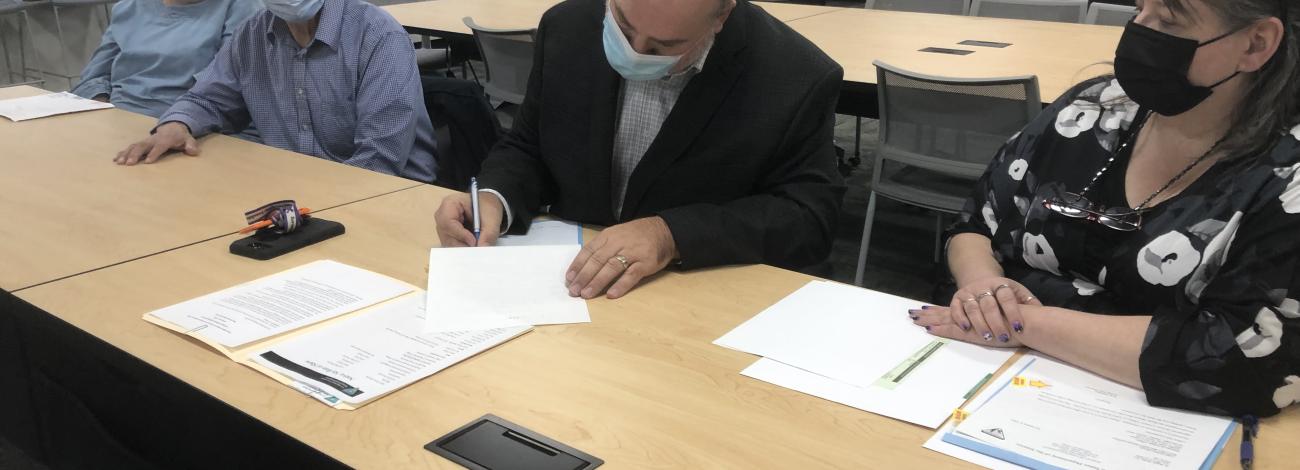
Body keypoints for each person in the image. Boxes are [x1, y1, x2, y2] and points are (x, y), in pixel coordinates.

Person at [911, 0, 1300, 417]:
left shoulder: (1285, 177)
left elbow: (1249, 357)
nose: (1139, 29)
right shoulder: (1095, 107)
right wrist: (983, 289)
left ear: (1256, 44)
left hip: (1144, 417)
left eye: (1168, 20)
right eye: (1139, 9)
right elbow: (974, 223)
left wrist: (1021, 324)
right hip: (990, 377)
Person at [434, 0, 845, 300]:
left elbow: (809, 217)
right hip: (564, 296)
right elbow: (529, 145)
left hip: (696, 303)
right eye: (624, 27)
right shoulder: (568, 26)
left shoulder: (795, 76)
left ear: (721, 17)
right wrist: (493, 198)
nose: (633, 52)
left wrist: (670, 234)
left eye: (664, 46)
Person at [111, 0, 438, 183]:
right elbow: (208, 98)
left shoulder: (376, 35)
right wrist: (177, 125)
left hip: (387, 197)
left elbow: (378, 161)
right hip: (298, 190)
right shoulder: (252, 34)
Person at [70, 0, 261, 118]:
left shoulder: (243, 8)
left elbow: (224, 88)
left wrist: (179, 121)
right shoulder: (129, 7)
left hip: (190, 123)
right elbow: (94, 76)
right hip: (117, 115)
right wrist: (102, 112)